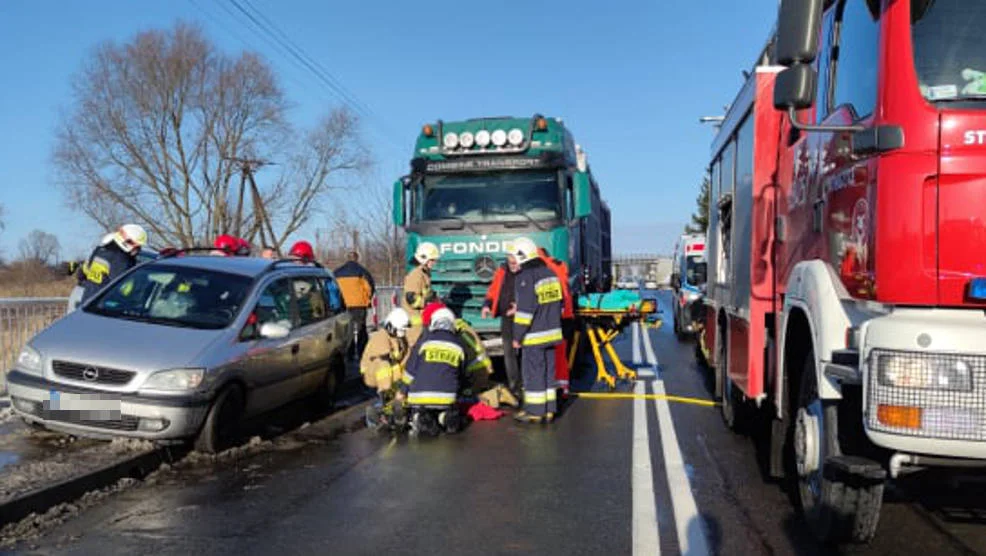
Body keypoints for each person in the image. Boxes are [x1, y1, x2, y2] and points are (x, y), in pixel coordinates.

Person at [511, 237, 564, 424]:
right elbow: (560, 303)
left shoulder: (526, 277)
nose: (512, 261)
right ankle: (549, 409)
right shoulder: (550, 273)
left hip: (534, 335)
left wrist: (517, 336)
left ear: (521, 256)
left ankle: (534, 411)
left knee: (533, 373)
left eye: (513, 256)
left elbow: (526, 311)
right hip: (553, 332)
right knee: (549, 372)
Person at [401, 307, 466, 436]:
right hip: (447, 398)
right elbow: (461, 374)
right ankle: (444, 418)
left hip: (419, 397)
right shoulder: (459, 345)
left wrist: (402, 391)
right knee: (443, 409)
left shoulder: (424, 341)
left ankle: (418, 418)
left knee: (421, 412)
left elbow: (410, 370)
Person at [361, 308, 412, 430]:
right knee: (384, 365)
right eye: (401, 329)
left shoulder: (401, 339)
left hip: (392, 375)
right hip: (372, 373)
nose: (403, 333)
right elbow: (387, 361)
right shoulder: (380, 338)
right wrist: (398, 386)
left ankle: (396, 409)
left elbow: (407, 358)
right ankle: (385, 402)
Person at [481, 253, 523, 400]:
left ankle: (527, 384)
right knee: (508, 352)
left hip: (524, 318)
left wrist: (521, 307)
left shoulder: (528, 274)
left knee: (526, 353)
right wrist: (487, 305)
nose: (514, 266)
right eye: (511, 263)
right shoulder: (502, 272)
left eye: (516, 263)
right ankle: (514, 386)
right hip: (507, 317)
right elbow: (493, 291)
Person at [76, 224, 148, 305]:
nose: (138, 250)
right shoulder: (120, 260)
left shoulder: (99, 251)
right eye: (137, 247)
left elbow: (82, 273)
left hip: (87, 304)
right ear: (128, 242)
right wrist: (142, 282)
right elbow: (125, 290)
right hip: (107, 308)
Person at [538, 247, 575, 395]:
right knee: (560, 354)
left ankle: (552, 386)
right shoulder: (557, 266)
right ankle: (562, 386)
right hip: (565, 315)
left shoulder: (545, 270)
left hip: (554, 317)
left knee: (551, 354)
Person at [334, 251, 376, 360]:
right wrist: (368, 299)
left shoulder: (337, 272)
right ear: (357, 259)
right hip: (359, 304)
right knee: (361, 329)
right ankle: (362, 352)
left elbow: (333, 288)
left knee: (347, 330)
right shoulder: (362, 271)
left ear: (347, 258)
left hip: (343, 305)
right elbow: (370, 287)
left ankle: (349, 353)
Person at [402, 242, 440, 326]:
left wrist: (436, 300)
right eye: (432, 260)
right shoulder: (416, 274)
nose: (434, 263)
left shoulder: (425, 274)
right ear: (424, 258)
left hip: (422, 318)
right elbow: (411, 298)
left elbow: (426, 293)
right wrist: (427, 303)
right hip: (415, 321)